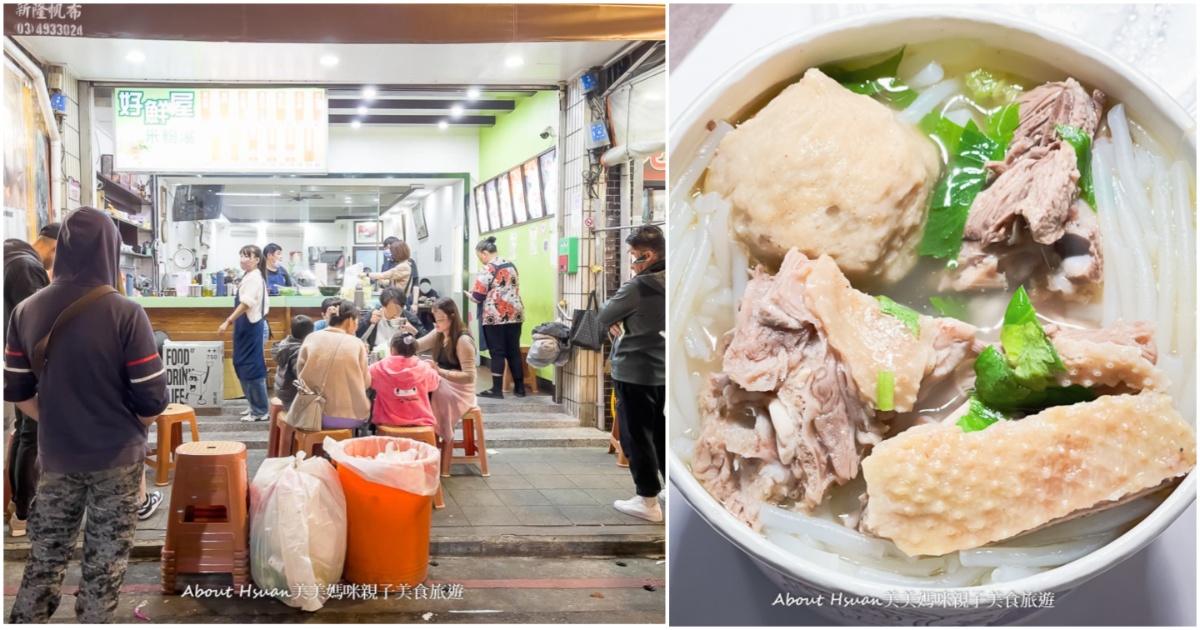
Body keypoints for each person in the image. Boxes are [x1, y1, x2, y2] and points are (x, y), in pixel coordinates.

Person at [4, 206, 169, 623]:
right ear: (110, 249)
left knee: (45, 557)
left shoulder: (25, 311)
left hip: (57, 456)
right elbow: (152, 399)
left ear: (63, 249)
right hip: (118, 457)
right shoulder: (126, 312)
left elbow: (17, 391)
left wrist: (58, 421)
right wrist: (131, 427)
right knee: (105, 563)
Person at [595, 225, 667, 523]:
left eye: (633, 256)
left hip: (635, 370)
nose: (631, 262)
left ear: (647, 255)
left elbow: (603, 316)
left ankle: (647, 500)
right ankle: (671, 490)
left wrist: (621, 320)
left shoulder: (638, 286)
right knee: (662, 434)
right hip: (663, 370)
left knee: (636, 435)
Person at [3, 222, 58, 538]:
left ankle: (16, 507)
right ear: (54, 246)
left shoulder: (10, 255)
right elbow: (36, 326)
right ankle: (24, 513)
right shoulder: (27, 267)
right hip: (27, 363)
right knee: (31, 435)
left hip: (13, 359)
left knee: (22, 432)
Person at [401, 298, 477, 474]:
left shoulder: (463, 340)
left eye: (441, 319)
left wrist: (439, 371)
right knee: (423, 388)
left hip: (459, 388)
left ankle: (434, 443)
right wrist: (406, 336)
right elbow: (417, 346)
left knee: (434, 393)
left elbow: (469, 377)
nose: (437, 323)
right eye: (435, 319)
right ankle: (426, 444)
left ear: (452, 317)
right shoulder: (439, 333)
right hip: (442, 380)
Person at [297, 300, 372, 430]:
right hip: (350, 417)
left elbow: (300, 375)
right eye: (357, 322)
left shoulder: (310, 338)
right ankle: (352, 446)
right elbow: (365, 383)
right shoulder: (357, 343)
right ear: (350, 321)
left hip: (311, 412)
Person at [218, 245, 270, 422]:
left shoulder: (255, 278)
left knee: (252, 367)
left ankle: (261, 410)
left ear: (256, 260)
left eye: (247, 256)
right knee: (241, 363)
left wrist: (228, 321)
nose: (242, 259)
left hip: (252, 327)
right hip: (244, 327)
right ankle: (253, 405)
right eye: (241, 255)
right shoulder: (248, 276)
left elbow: (246, 303)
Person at [470, 235, 526, 399]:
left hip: (495, 317)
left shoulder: (488, 268)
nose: (480, 259)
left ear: (484, 253)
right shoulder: (511, 265)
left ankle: (496, 389)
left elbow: (478, 295)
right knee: (513, 351)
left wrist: (470, 296)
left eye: (479, 256)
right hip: (515, 315)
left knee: (497, 352)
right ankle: (520, 388)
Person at [368, 332, 440, 428]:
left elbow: (365, 380)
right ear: (414, 350)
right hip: (420, 422)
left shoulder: (378, 368)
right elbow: (434, 385)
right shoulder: (425, 368)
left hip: (388, 422)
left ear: (392, 350)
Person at [356, 287, 426, 352]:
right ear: (383, 306)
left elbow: (425, 342)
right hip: (377, 356)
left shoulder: (410, 319)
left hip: (402, 357)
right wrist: (369, 323)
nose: (395, 314)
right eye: (391, 310)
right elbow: (357, 336)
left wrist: (414, 331)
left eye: (398, 311)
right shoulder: (372, 316)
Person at [271, 315, 314, 409]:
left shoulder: (285, 344)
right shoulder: (297, 351)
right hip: (291, 395)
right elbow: (300, 375)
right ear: (309, 334)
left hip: (281, 390)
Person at [363, 239, 417, 305]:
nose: (392, 255)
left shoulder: (403, 266)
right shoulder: (403, 265)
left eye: (393, 253)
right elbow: (390, 282)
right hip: (397, 299)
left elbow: (384, 275)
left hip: (398, 300)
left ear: (398, 254)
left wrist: (366, 274)